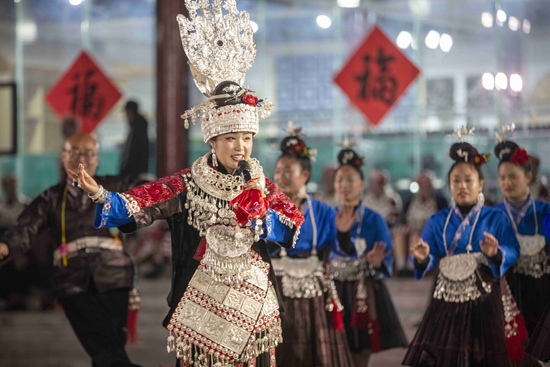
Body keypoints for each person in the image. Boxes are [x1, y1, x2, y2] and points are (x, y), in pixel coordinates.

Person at [70, 2, 304, 365]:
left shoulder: (259, 181)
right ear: (212, 140)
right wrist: (98, 193)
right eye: (231, 138)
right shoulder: (188, 183)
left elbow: (290, 223)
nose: (240, 146)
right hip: (202, 301)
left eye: (246, 137)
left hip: (252, 301)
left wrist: (260, 217)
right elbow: (140, 205)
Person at [0, 134, 140, 367]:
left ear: (97, 158)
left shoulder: (117, 186)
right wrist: (6, 246)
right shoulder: (51, 197)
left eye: (88, 153)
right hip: (72, 279)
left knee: (107, 351)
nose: (80, 159)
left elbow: (142, 198)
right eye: (73, 152)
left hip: (115, 275)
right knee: (105, 348)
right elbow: (25, 227)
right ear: (62, 157)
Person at [402, 127, 534, 367]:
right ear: (450, 185)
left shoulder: (494, 218)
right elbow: (428, 255)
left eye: (468, 180)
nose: (462, 186)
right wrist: (423, 258)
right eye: (456, 181)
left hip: (485, 300)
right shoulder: (438, 221)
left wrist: (496, 253)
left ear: (480, 183)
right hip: (446, 300)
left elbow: (512, 249)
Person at [270, 125, 355, 367]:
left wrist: (344, 233)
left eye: (288, 171)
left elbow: (342, 251)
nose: (280, 177)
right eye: (277, 171)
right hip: (275, 292)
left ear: (304, 174)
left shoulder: (324, 212)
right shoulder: (264, 210)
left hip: (313, 294)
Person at [328, 145, 407, 367]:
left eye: (350, 179)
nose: (344, 185)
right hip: (332, 290)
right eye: (340, 179)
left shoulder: (374, 220)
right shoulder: (327, 216)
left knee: (360, 352)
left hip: (363, 291)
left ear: (362, 185)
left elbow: (388, 256)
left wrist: (378, 263)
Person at [493, 132, 550, 339]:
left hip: (541, 292)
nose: (507, 182)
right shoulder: (492, 215)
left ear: (527, 177)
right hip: (505, 295)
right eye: (502, 177)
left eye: (513, 176)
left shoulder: (544, 211)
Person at [394, 170, 448, 277]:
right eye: (422, 184)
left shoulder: (440, 201)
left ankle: (412, 265)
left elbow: (443, 222)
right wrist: (405, 227)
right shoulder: (410, 200)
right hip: (411, 229)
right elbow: (402, 219)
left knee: (415, 236)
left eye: (427, 184)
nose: (425, 187)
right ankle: (401, 266)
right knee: (399, 234)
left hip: (429, 233)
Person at [119, 100, 149, 181]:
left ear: (130, 112)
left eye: (127, 113)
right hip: (136, 173)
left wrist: (125, 172)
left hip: (134, 174)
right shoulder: (139, 128)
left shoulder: (137, 130)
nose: (126, 116)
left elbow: (132, 153)